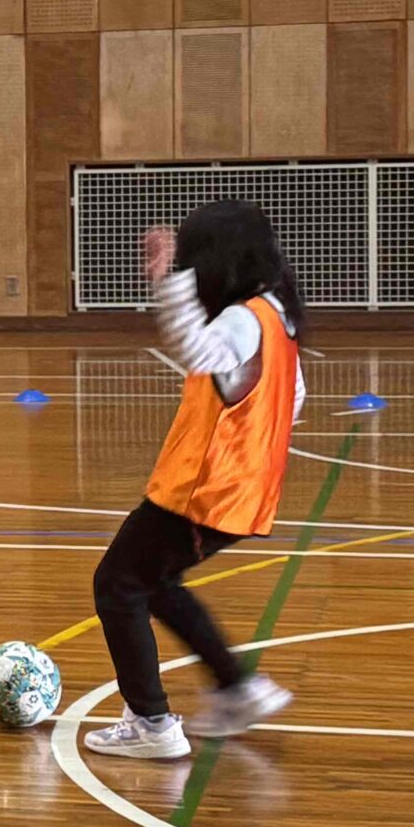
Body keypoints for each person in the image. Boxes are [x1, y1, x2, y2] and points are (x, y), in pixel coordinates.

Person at [86, 200, 307, 762]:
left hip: (203, 492)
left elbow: (197, 351)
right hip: (238, 492)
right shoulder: (275, 316)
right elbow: (295, 396)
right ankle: (236, 687)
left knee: (117, 585)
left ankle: (150, 722)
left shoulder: (241, 320)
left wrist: (170, 283)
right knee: (155, 583)